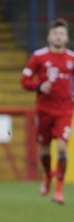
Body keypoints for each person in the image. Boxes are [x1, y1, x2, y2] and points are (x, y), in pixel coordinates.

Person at [21, 18, 74, 204]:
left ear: (66, 38)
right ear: (49, 36)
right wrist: (40, 85)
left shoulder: (71, 58)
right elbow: (25, 81)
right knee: (44, 150)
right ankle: (47, 177)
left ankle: (59, 189)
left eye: (62, 34)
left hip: (65, 110)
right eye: (55, 33)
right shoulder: (38, 57)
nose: (58, 36)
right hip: (43, 110)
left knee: (61, 147)